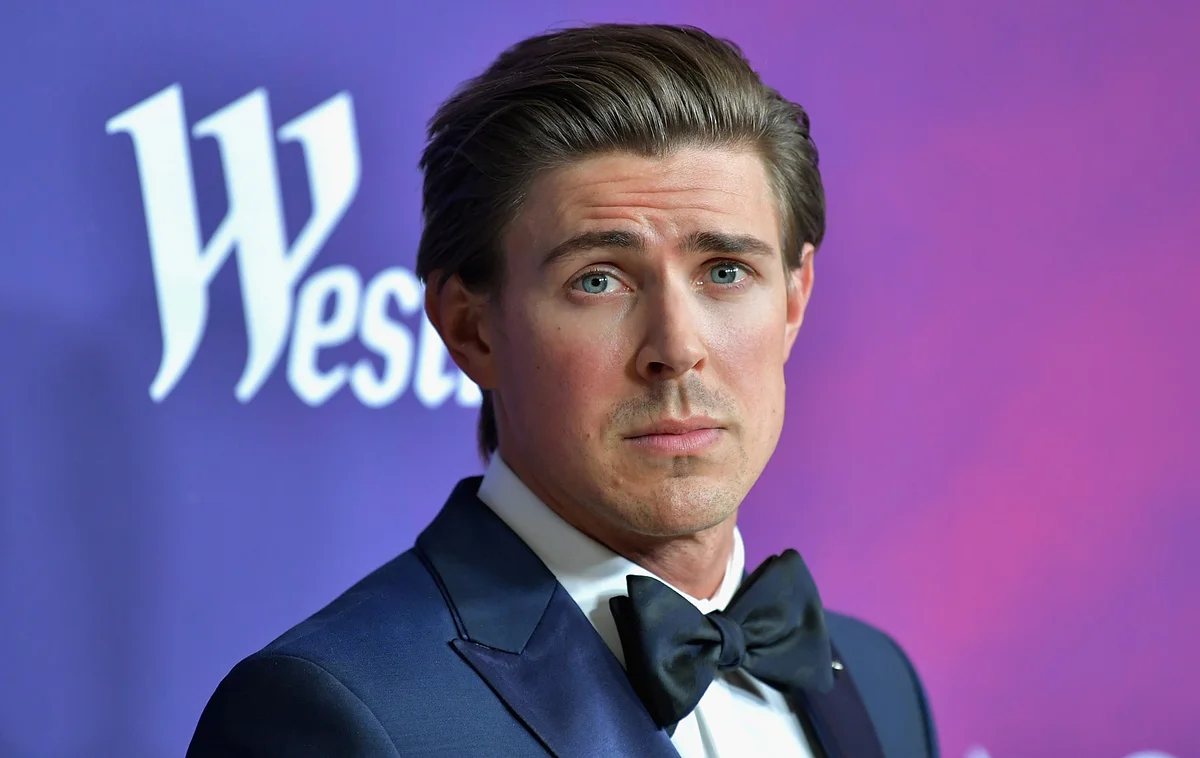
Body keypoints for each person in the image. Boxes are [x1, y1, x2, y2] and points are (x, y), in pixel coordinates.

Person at [186, 22, 938, 758]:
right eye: (599, 280)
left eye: (725, 272)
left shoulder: (879, 683)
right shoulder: (330, 715)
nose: (678, 350)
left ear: (794, 299)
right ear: (471, 329)